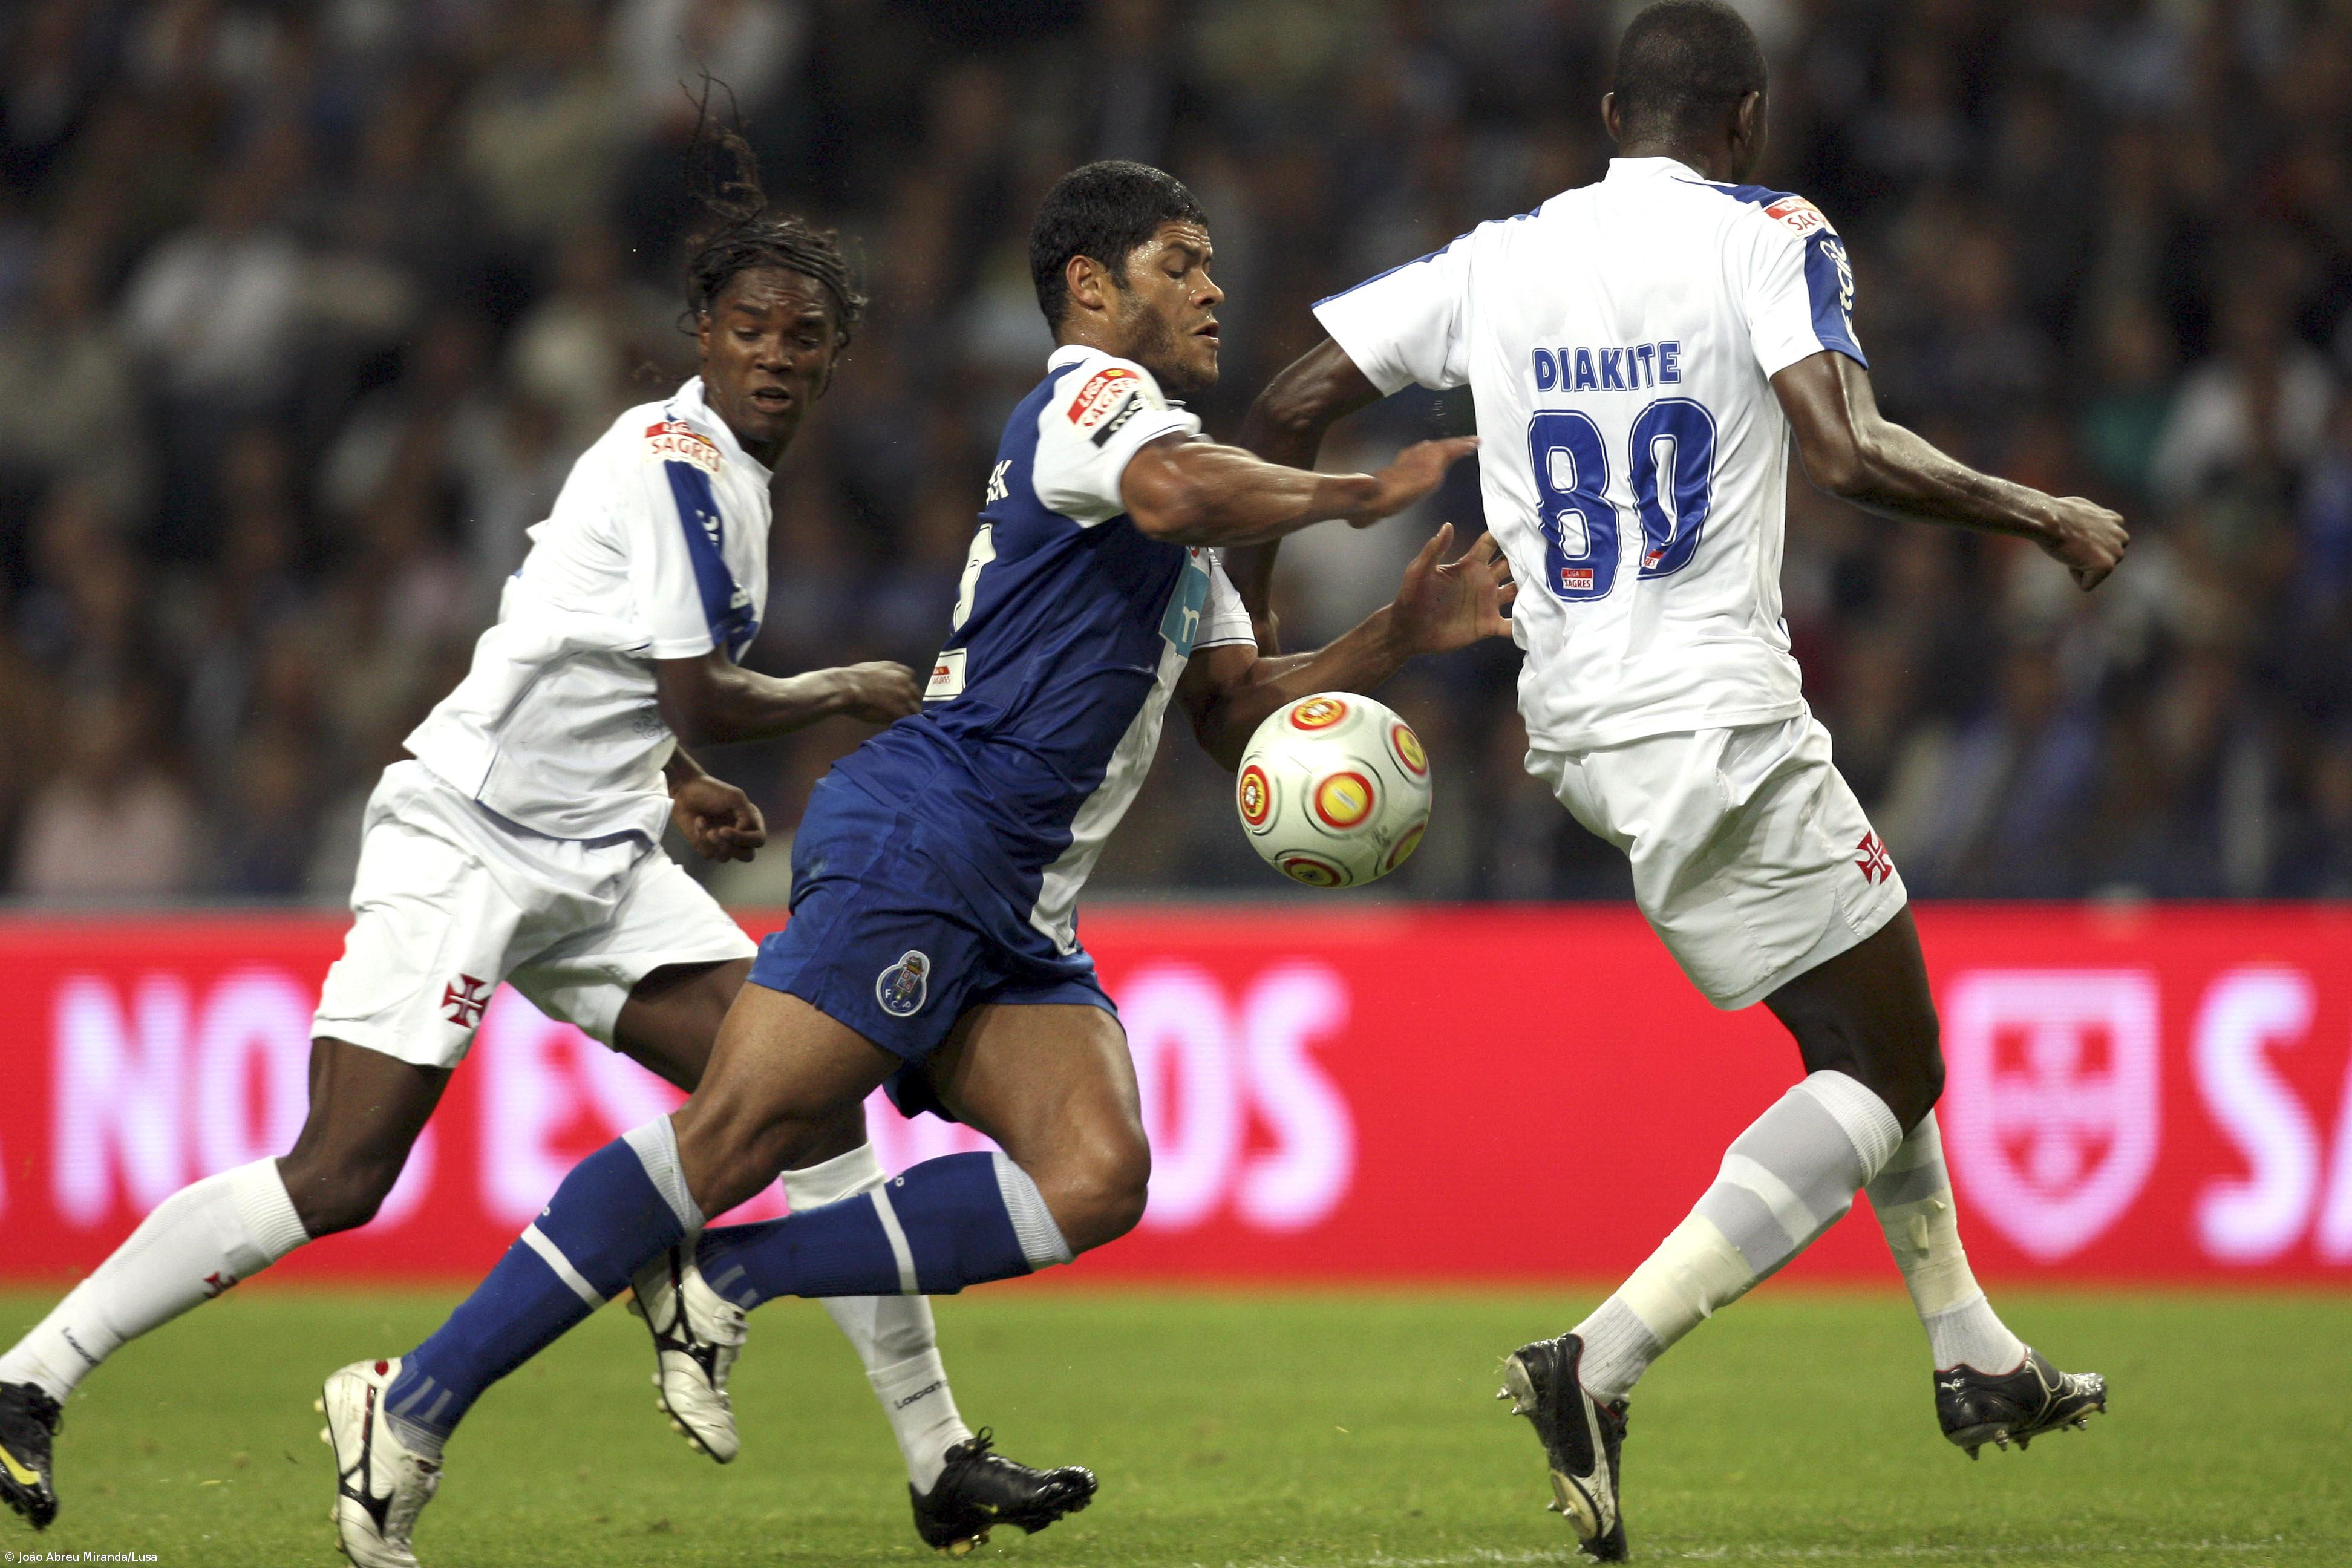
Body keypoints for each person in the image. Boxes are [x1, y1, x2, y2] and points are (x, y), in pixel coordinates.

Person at [315, 158, 1510, 1568]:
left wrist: (1393, 644)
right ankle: (412, 1403)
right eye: (1181, 261)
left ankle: (731, 1273)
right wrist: (1351, 493)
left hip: (1017, 896)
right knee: (736, 1138)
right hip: (930, 836)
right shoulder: (1091, 404)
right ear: (1091, 288)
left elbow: (1230, 712)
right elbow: (1184, 490)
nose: (1213, 285)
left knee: (1095, 1174)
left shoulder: (1163, 486)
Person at [0, 122, 1071, 1553]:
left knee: (807, 1094)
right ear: (701, 334)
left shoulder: (733, 485)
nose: (774, 351)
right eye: (749, 326)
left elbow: (606, 659)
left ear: (832, 358)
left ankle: (938, 1457)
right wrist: (845, 688)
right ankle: (30, 1378)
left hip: (603, 847)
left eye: (803, 336)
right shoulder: (677, 460)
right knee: (341, 1173)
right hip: (471, 836)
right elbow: (700, 681)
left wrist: (673, 774)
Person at [1227, 3, 2126, 1559]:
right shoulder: (1768, 230)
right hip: (1720, 721)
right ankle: (1600, 1358)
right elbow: (1843, 452)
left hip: (1581, 730)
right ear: (1750, 119)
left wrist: (1244, 640)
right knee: (1893, 1068)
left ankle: (1972, 1349)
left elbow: (1292, 404)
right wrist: (2035, 509)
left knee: (1864, 1028)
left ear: (1604, 112)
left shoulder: (1495, 259)